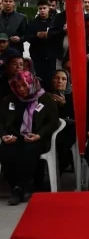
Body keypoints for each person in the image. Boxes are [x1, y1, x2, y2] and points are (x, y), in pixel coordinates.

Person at [0, 71, 59, 205]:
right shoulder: (9, 99)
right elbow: (1, 121)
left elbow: (53, 122)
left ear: (32, 84)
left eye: (24, 85)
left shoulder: (45, 99)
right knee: (5, 150)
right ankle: (18, 186)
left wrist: (39, 135)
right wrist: (4, 135)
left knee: (29, 149)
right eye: (18, 86)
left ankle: (19, 188)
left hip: (36, 137)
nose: (21, 89)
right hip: (14, 136)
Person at [25, 0, 56, 91]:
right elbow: (27, 37)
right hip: (37, 54)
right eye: (40, 8)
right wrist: (36, 36)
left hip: (51, 54)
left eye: (44, 8)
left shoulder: (53, 22)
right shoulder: (33, 22)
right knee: (39, 76)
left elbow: (58, 35)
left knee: (51, 77)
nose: (42, 10)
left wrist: (48, 35)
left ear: (48, 8)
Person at [49, 70, 76, 176]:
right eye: (57, 78)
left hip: (69, 130)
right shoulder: (46, 96)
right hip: (50, 129)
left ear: (68, 82)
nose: (60, 81)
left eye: (64, 79)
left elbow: (75, 117)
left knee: (62, 145)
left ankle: (55, 176)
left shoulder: (72, 97)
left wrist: (64, 105)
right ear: (52, 80)